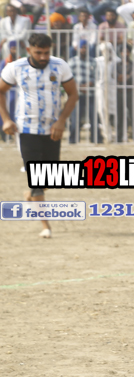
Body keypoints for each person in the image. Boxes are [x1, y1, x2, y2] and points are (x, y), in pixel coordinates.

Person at [0, 32, 78, 238]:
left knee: (51, 178)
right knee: (37, 178)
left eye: (46, 52)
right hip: (26, 129)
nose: (43, 57)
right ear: (29, 50)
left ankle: (32, 195)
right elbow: (1, 90)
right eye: (38, 53)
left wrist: (61, 120)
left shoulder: (60, 66)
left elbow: (73, 94)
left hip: (52, 129)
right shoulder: (15, 68)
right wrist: (6, 119)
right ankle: (46, 226)